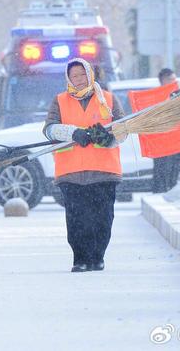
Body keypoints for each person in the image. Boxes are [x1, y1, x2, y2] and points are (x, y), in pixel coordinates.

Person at [43, 58, 125, 273]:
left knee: (102, 218)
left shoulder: (108, 99)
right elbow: (49, 129)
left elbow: (124, 129)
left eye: (82, 75)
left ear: (91, 75)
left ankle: (97, 257)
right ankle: (80, 258)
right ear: (68, 78)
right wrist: (72, 133)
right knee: (77, 219)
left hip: (103, 172)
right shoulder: (59, 101)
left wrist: (108, 137)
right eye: (74, 76)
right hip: (71, 173)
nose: (78, 79)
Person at [152, 68, 179, 192]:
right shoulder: (156, 97)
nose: (174, 82)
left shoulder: (176, 96)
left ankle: (170, 191)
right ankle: (159, 192)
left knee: (172, 170)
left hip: (174, 140)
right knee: (160, 170)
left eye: (175, 79)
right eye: (171, 80)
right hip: (159, 142)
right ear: (163, 80)